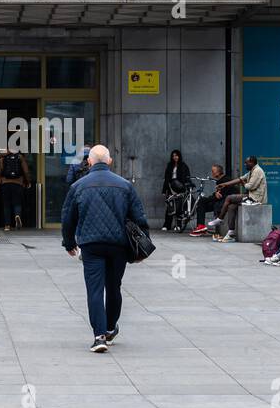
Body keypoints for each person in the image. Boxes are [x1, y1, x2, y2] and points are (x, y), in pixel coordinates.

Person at [61, 144, 150, 353]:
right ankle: (110, 328)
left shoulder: (79, 186)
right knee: (114, 287)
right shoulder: (125, 185)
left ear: (89, 162)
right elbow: (140, 217)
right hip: (118, 244)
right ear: (109, 161)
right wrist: (142, 248)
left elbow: (67, 218)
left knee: (94, 290)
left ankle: (99, 336)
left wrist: (69, 243)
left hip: (91, 244)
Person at [201, 156, 267, 239]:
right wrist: (225, 184)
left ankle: (220, 219)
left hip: (256, 198)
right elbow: (239, 179)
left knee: (229, 197)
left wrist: (243, 183)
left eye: (246, 163)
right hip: (251, 196)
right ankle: (231, 231)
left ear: (252, 163)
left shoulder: (257, 171)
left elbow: (249, 187)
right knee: (231, 206)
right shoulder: (252, 171)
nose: (245, 164)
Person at [189, 163, 236, 235]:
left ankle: (201, 227)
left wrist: (211, 196)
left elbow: (219, 196)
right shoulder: (222, 179)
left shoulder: (224, 180)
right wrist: (215, 194)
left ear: (218, 172)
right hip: (221, 201)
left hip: (223, 203)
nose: (212, 173)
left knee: (202, 201)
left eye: (213, 171)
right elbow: (218, 194)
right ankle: (201, 227)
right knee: (202, 205)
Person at [0, 148, 31, 232]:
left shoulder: (2, 159)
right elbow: (26, 171)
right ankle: (17, 215)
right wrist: (28, 182)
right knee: (17, 203)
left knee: (6, 205)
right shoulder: (20, 158)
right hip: (18, 184)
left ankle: (7, 226)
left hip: (5, 184)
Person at [161, 148, 191, 230]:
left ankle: (178, 225)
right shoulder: (169, 165)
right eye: (173, 156)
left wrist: (187, 187)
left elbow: (187, 177)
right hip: (171, 187)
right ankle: (167, 225)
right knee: (170, 206)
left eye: (176, 155)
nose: (175, 157)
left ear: (179, 156)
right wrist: (164, 190)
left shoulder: (183, 166)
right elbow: (166, 179)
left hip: (180, 188)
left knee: (179, 207)